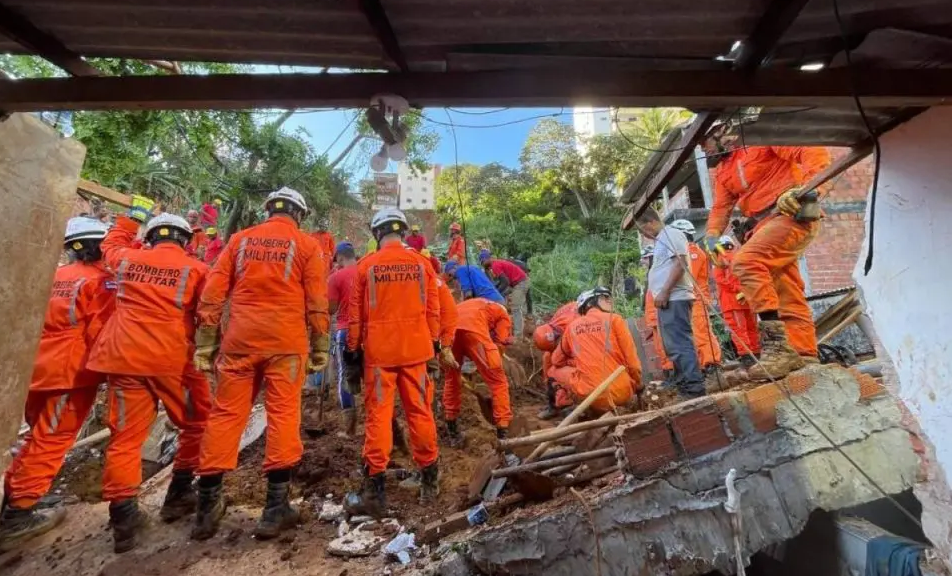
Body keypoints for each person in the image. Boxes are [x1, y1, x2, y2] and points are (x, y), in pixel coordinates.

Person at [192, 186, 329, 541]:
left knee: (225, 415)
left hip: (240, 340)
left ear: (268, 209)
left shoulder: (239, 241)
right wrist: (320, 346)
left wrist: (206, 343)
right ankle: (275, 509)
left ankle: (206, 509)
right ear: (298, 214)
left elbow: (213, 292)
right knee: (284, 415)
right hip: (286, 344)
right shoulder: (307, 245)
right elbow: (316, 300)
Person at [85, 206, 212, 553]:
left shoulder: (126, 259)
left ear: (150, 237)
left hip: (123, 358)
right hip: (172, 360)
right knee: (197, 423)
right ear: (186, 241)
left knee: (125, 438)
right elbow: (209, 314)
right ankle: (179, 493)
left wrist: (131, 216)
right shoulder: (197, 269)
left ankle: (124, 519)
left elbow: (110, 244)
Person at [0, 218, 116, 549]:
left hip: (34, 366)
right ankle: (20, 513)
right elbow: (101, 332)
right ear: (100, 246)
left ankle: (19, 493)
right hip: (70, 372)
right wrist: (110, 371)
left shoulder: (54, 276)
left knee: (37, 433)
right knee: (52, 439)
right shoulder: (101, 283)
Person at [701, 125, 831, 378]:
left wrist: (810, 189)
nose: (702, 149)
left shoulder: (761, 139)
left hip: (789, 214)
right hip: (762, 226)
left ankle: (777, 348)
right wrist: (711, 236)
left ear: (722, 131)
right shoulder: (724, 171)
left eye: (703, 142)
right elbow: (720, 208)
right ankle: (804, 356)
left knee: (746, 262)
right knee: (786, 289)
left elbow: (812, 151)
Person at [344, 208, 441, 517]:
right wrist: (434, 344)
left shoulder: (366, 266)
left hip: (379, 356)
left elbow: (355, 316)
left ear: (377, 234)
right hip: (416, 352)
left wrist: (352, 351)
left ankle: (374, 492)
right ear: (402, 232)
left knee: (379, 418)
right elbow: (433, 311)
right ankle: (430, 483)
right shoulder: (422, 265)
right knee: (420, 414)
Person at [635, 208, 706, 399]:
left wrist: (665, 291)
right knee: (672, 345)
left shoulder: (671, 234)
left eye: (643, 230)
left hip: (675, 297)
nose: (644, 234)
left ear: (650, 222)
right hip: (669, 299)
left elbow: (679, 263)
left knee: (680, 343)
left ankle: (693, 386)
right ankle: (683, 381)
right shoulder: (661, 240)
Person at [549, 288, 642, 414]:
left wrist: (576, 361)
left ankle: (563, 403)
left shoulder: (572, 327)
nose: (609, 301)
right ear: (590, 303)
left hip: (591, 397)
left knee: (552, 370)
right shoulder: (615, 320)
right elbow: (633, 363)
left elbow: (556, 360)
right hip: (622, 393)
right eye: (605, 297)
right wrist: (637, 383)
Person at [442, 297, 513, 445]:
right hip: (474, 332)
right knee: (498, 382)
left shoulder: (473, 303)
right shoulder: (502, 313)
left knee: (451, 379)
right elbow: (500, 342)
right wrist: (490, 367)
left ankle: (452, 430)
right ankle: (503, 434)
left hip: (449, 334)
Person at [670, 219, 722, 372]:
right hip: (690, 300)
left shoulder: (693, 253)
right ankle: (705, 364)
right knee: (696, 334)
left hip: (696, 300)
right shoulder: (687, 252)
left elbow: (687, 275)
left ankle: (712, 363)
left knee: (702, 333)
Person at [327, 242, 361, 437]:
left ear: (340, 257)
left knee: (344, 376)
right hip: (368, 331)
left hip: (345, 330)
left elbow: (330, 309)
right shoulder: (366, 271)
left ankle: (349, 429)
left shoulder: (336, 277)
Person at [712, 236, 760, 365]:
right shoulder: (741, 257)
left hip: (731, 302)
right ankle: (756, 354)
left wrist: (737, 288)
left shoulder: (720, 261)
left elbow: (721, 280)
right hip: (747, 300)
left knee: (739, 330)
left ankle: (747, 357)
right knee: (752, 328)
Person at [531, 301, 578, 419]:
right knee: (548, 362)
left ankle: (572, 403)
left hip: (583, 345)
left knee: (569, 369)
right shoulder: (554, 323)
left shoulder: (575, 324)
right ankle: (553, 403)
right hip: (564, 338)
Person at [480, 250, 531, 340]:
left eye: (482, 262)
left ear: (485, 259)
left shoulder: (495, 265)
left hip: (520, 283)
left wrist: (497, 293)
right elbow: (503, 281)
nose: (483, 265)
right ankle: (508, 324)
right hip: (515, 282)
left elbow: (505, 282)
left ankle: (518, 336)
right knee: (503, 297)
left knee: (515, 308)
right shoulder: (496, 263)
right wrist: (496, 290)